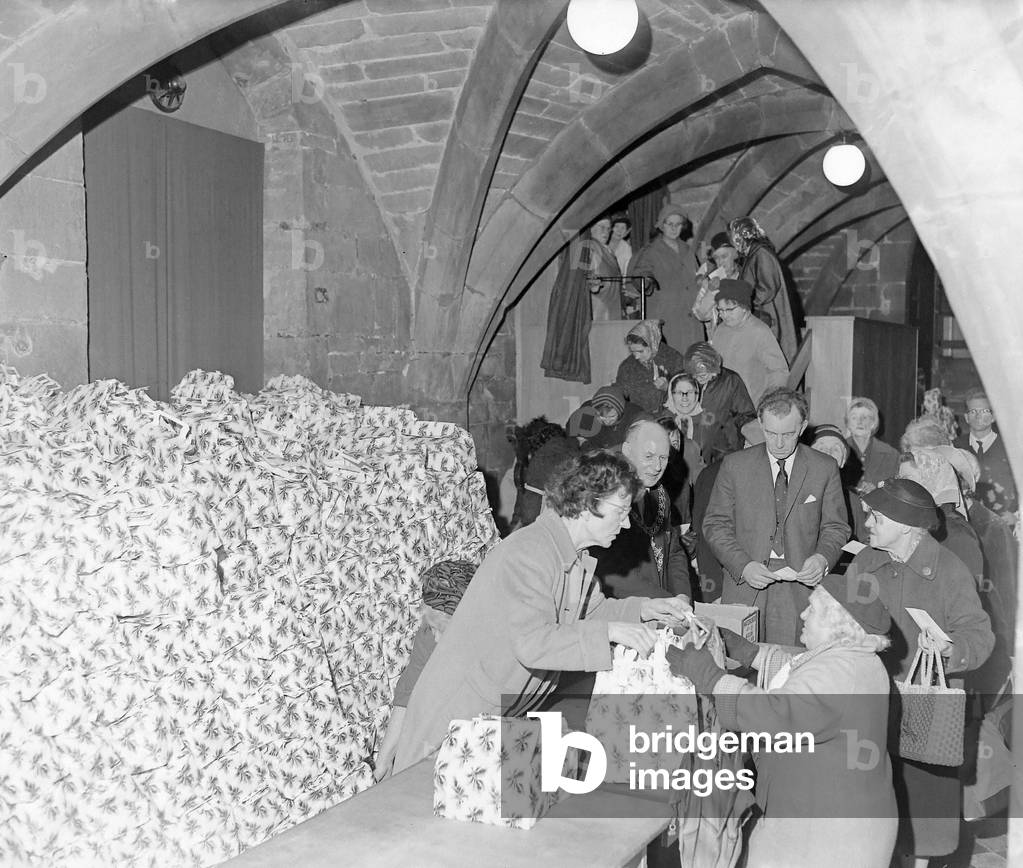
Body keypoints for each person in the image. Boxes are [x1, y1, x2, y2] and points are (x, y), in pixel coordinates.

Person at [392, 452, 693, 771]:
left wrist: (646, 609)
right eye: (621, 510)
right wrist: (611, 632)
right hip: (454, 716)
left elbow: (593, 612)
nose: (628, 522)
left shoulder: (570, 556)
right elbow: (534, 643)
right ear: (588, 504)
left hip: (491, 714)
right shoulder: (530, 553)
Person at [668, 571, 898, 868]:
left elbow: (775, 713)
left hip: (827, 839)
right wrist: (752, 654)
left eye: (812, 609)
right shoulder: (854, 660)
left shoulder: (839, 673)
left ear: (836, 625)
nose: (802, 614)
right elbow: (801, 678)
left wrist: (710, 677)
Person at [850, 478, 993, 866]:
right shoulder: (864, 561)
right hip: (871, 706)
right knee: (870, 817)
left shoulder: (949, 570)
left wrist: (951, 650)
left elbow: (980, 636)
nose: (868, 522)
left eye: (876, 516)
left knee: (921, 820)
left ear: (909, 526)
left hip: (926, 714)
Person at [704, 387, 850, 645]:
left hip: (800, 589)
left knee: (793, 671)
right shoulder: (735, 466)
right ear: (760, 423)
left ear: (803, 426)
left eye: (788, 434)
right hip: (746, 582)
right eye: (770, 433)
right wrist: (743, 565)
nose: (779, 443)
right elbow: (715, 525)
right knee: (743, 668)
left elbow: (836, 527)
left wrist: (822, 558)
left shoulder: (824, 468)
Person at [374, 560, 477, 781]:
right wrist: (383, 761)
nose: (436, 638)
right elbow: (408, 693)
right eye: (431, 627)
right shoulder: (430, 635)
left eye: (441, 629)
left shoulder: (495, 638)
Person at [595, 419, 693, 600]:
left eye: (663, 458)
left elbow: (674, 552)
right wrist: (667, 602)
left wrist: (682, 595)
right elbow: (612, 573)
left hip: (663, 607)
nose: (657, 468)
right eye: (648, 456)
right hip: (624, 610)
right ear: (627, 450)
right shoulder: (608, 495)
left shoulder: (660, 493)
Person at [897, 448, 983, 587]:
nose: (900, 486)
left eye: (907, 479)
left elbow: (966, 592)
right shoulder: (916, 523)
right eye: (899, 479)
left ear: (931, 479)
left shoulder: (955, 530)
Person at [629, 203, 701, 348]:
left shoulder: (687, 250)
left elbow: (696, 275)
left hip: (691, 318)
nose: (674, 228)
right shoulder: (651, 251)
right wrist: (647, 280)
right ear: (661, 225)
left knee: (693, 360)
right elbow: (640, 274)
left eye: (678, 224)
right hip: (668, 317)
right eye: (670, 224)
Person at [728, 216, 798, 362]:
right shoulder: (751, 256)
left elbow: (768, 288)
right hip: (757, 317)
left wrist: (744, 302)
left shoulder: (762, 254)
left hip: (768, 317)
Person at [708, 278, 789, 404]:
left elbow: (779, 372)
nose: (724, 315)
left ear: (744, 307)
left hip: (751, 404)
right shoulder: (720, 330)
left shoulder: (759, 331)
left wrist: (766, 401)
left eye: (729, 310)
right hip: (724, 402)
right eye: (720, 310)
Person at [682, 342, 756, 461]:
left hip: (724, 448)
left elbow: (746, 414)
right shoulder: (685, 381)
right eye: (695, 375)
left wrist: (738, 435)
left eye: (703, 375)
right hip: (693, 446)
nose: (699, 378)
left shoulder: (730, 381)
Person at [954, 387, 1018, 525]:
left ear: (993, 417)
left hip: (1002, 523)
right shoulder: (955, 447)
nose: (978, 416)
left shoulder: (1011, 448)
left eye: (984, 411)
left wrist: (1017, 515)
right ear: (966, 417)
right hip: (967, 524)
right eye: (973, 411)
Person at [614, 319, 686, 415]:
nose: (636, 356)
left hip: (671, 417)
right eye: (632, 351)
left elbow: (689, 391)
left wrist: (668, 388)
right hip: (640, 418)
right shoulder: (627, 366)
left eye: (640, 351)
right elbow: (619, 392)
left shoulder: (673, 359)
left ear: (652, 345)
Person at [810, 423, 867, 541]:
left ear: (843, 461)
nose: (829, 453)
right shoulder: (795, 492)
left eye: (836, 449)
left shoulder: (852, 501)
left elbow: (862, 544)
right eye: (822, 448)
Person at [845, 396, 900, 494]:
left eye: (865, 417)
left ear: (874, 423)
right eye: (854, 417)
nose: (859, 421)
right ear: (848, 423)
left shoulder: (892, 455)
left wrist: (877, 492)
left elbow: (896, 491)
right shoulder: (838, 450)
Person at [565, 384, 643, 451]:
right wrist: (584, 444)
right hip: (593, 453)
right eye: (601, 417)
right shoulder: (587, 414)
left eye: (612, 417)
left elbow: (640, 441)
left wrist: (614, 450)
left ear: (620, 411)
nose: (607, 421)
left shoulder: (634, 414)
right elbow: (576, 435)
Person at [692, 231, 740, 332]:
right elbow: (700, 315)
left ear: (735, 254)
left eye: (724, 256)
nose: (720, 262)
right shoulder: (711, 280)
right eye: (716, 258)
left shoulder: (747, 275)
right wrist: (711, 292)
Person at [585, 215, 623, 321]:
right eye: (602, 227)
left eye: (608, 229)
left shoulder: (608, 250)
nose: (606, 232)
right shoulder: (589, 247)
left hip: (612, 307)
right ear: (591, 228)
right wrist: (592, 282)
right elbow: (583, 275)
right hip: (598, 309)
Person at [610, 212, 633, 277]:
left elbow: (626, 273)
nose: (619, 231)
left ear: (626, 232)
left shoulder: (627, 249)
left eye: (623, 228)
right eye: (616, 226)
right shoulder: (602, 243)